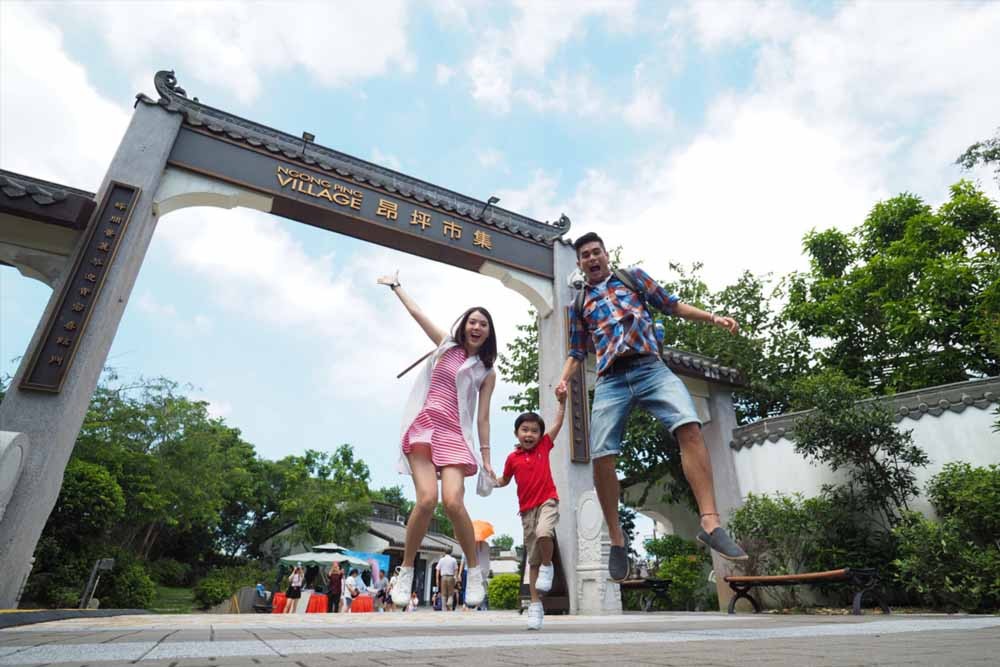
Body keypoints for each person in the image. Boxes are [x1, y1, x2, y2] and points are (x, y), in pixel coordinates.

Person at [555, 232, 748, 584]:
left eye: (596, 251)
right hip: (611, 380)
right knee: (601, 454)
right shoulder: (578, 304)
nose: (592, 258)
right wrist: (564, 379)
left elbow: (672, 305)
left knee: (689, 426)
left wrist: (713, 318)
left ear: (606, 255)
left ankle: (710, 522)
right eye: (585, 255)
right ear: (580, 264)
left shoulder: (633, 278)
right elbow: (577, 351)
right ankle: (616, 538)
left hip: (651, 369)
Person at [377, 270, 497, 610]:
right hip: (425, 428)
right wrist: (397, 286)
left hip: (456, 435)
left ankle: (473, 571)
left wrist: (486, 458)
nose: (476, 327)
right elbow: (418, 315)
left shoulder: (486, 371)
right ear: (464, 326)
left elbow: (483, 417)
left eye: (483, 324)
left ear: (489, 334)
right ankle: (407, 569)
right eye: (473, 321)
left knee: (454, 503)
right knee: (427, 499)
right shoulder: (446, 346)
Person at [494, 390, 567, 630]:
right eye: (525, 430)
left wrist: (562, 403)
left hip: (547, 501)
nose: (530, 434)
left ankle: (549, 564)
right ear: (517, 433)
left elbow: (557, 423)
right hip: (526, 511)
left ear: (539, 435)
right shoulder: (512, 458)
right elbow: (503, 480)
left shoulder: (544, 445)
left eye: (534, 430)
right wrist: (490, 479)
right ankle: (536, 606)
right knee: (532, 562)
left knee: (545, 532)